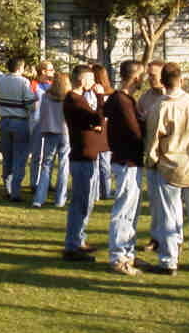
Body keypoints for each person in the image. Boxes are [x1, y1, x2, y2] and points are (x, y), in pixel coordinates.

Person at [144, 62, 189, 275]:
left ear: (163, 82)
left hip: (169, 168)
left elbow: (153, 141)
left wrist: (152, 160)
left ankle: (169, 260)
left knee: (170, 216)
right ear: (181, 80)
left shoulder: (160, 107)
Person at [104, 60, 147, 276]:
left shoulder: (123, 100)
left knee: (132, 210)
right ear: (136, 77)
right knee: (124, 211)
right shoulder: (122, 101)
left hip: (130, 161)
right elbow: (135, 132)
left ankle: (128, 252)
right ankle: (118, 256)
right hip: (126, 161)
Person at [62, 64, 106, 262]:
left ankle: (79, 239)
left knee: (86, 202)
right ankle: (72, 245)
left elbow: (93, 122)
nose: (93, 83)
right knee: (80, 202)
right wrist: (100, 98)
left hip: (87, 155)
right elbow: (96, 118)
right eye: (90, 79)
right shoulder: (74, 100)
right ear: (81, 80)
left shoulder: (78, 100)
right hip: (82, 157)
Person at [0, 57, 36, 201]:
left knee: (7, 157)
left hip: (4, 121)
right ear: (20, 68)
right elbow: (30, 103)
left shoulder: (1, 79)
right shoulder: (23, 82)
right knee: (20, 157)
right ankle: (16, 192)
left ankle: (7, 188)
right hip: (20, 121)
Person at [136, 60, 166, 252]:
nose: (150, 79)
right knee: (155, 201)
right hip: (152, 157)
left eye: (153, 75)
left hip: (171, 158)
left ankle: (172, 239)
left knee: (172, 203)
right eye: (149, 75)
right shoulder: (145, 98)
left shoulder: (172, 98)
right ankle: (156, 238)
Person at [31, 72, 71, 209]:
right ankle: (60, 199)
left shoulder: (46, 96)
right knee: (63, 165)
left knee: (46, 165)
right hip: (65, 132)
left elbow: (42, 115)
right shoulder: (69, 98)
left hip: (49, 132)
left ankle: (39, 198)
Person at [28, 61, 55, 189]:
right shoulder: (33, 85)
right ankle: (34, 183)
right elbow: (29, 104)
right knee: (37, 155)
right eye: (51, 70)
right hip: (37, 123)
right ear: (43, 71)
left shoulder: (52, 85)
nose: (53, 72)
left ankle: (47, 182)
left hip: (51, 123)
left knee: (49, 156)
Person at [91, 64, 114, 200]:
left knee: (98, 163)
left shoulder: (97, 94)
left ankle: (98, 192)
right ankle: (106, 190)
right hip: (106, 129)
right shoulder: (110, 94)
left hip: (99, 127)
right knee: (105, 163)